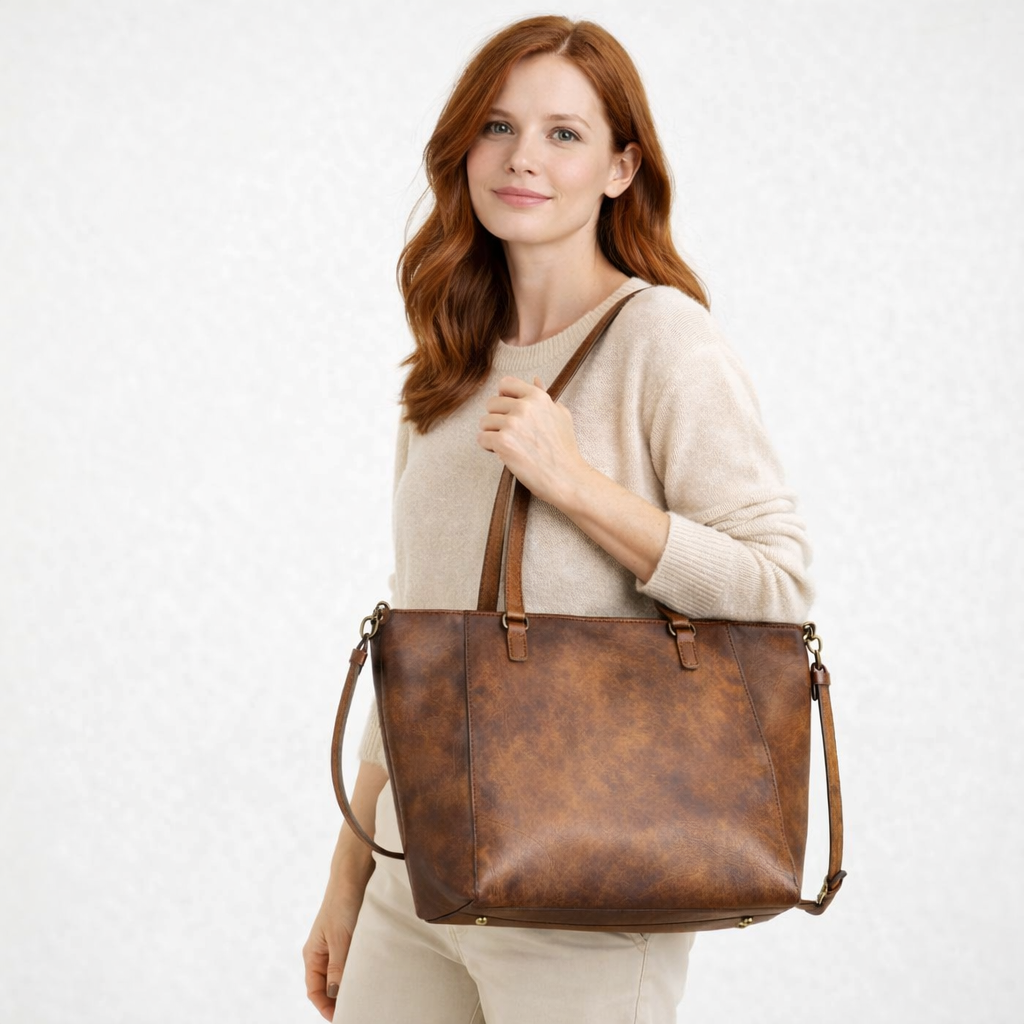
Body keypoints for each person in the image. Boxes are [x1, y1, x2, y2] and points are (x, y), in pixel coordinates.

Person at [303, 14, 813, 1023]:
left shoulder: (661, 337)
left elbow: (778, 584)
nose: (522, 157)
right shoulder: (445, 373)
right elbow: (417, 636)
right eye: (497, 126)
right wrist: (348, 877)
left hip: (589, 875)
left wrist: (574, 482)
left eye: (563, 134)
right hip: (418, 871)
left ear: (620, 169)